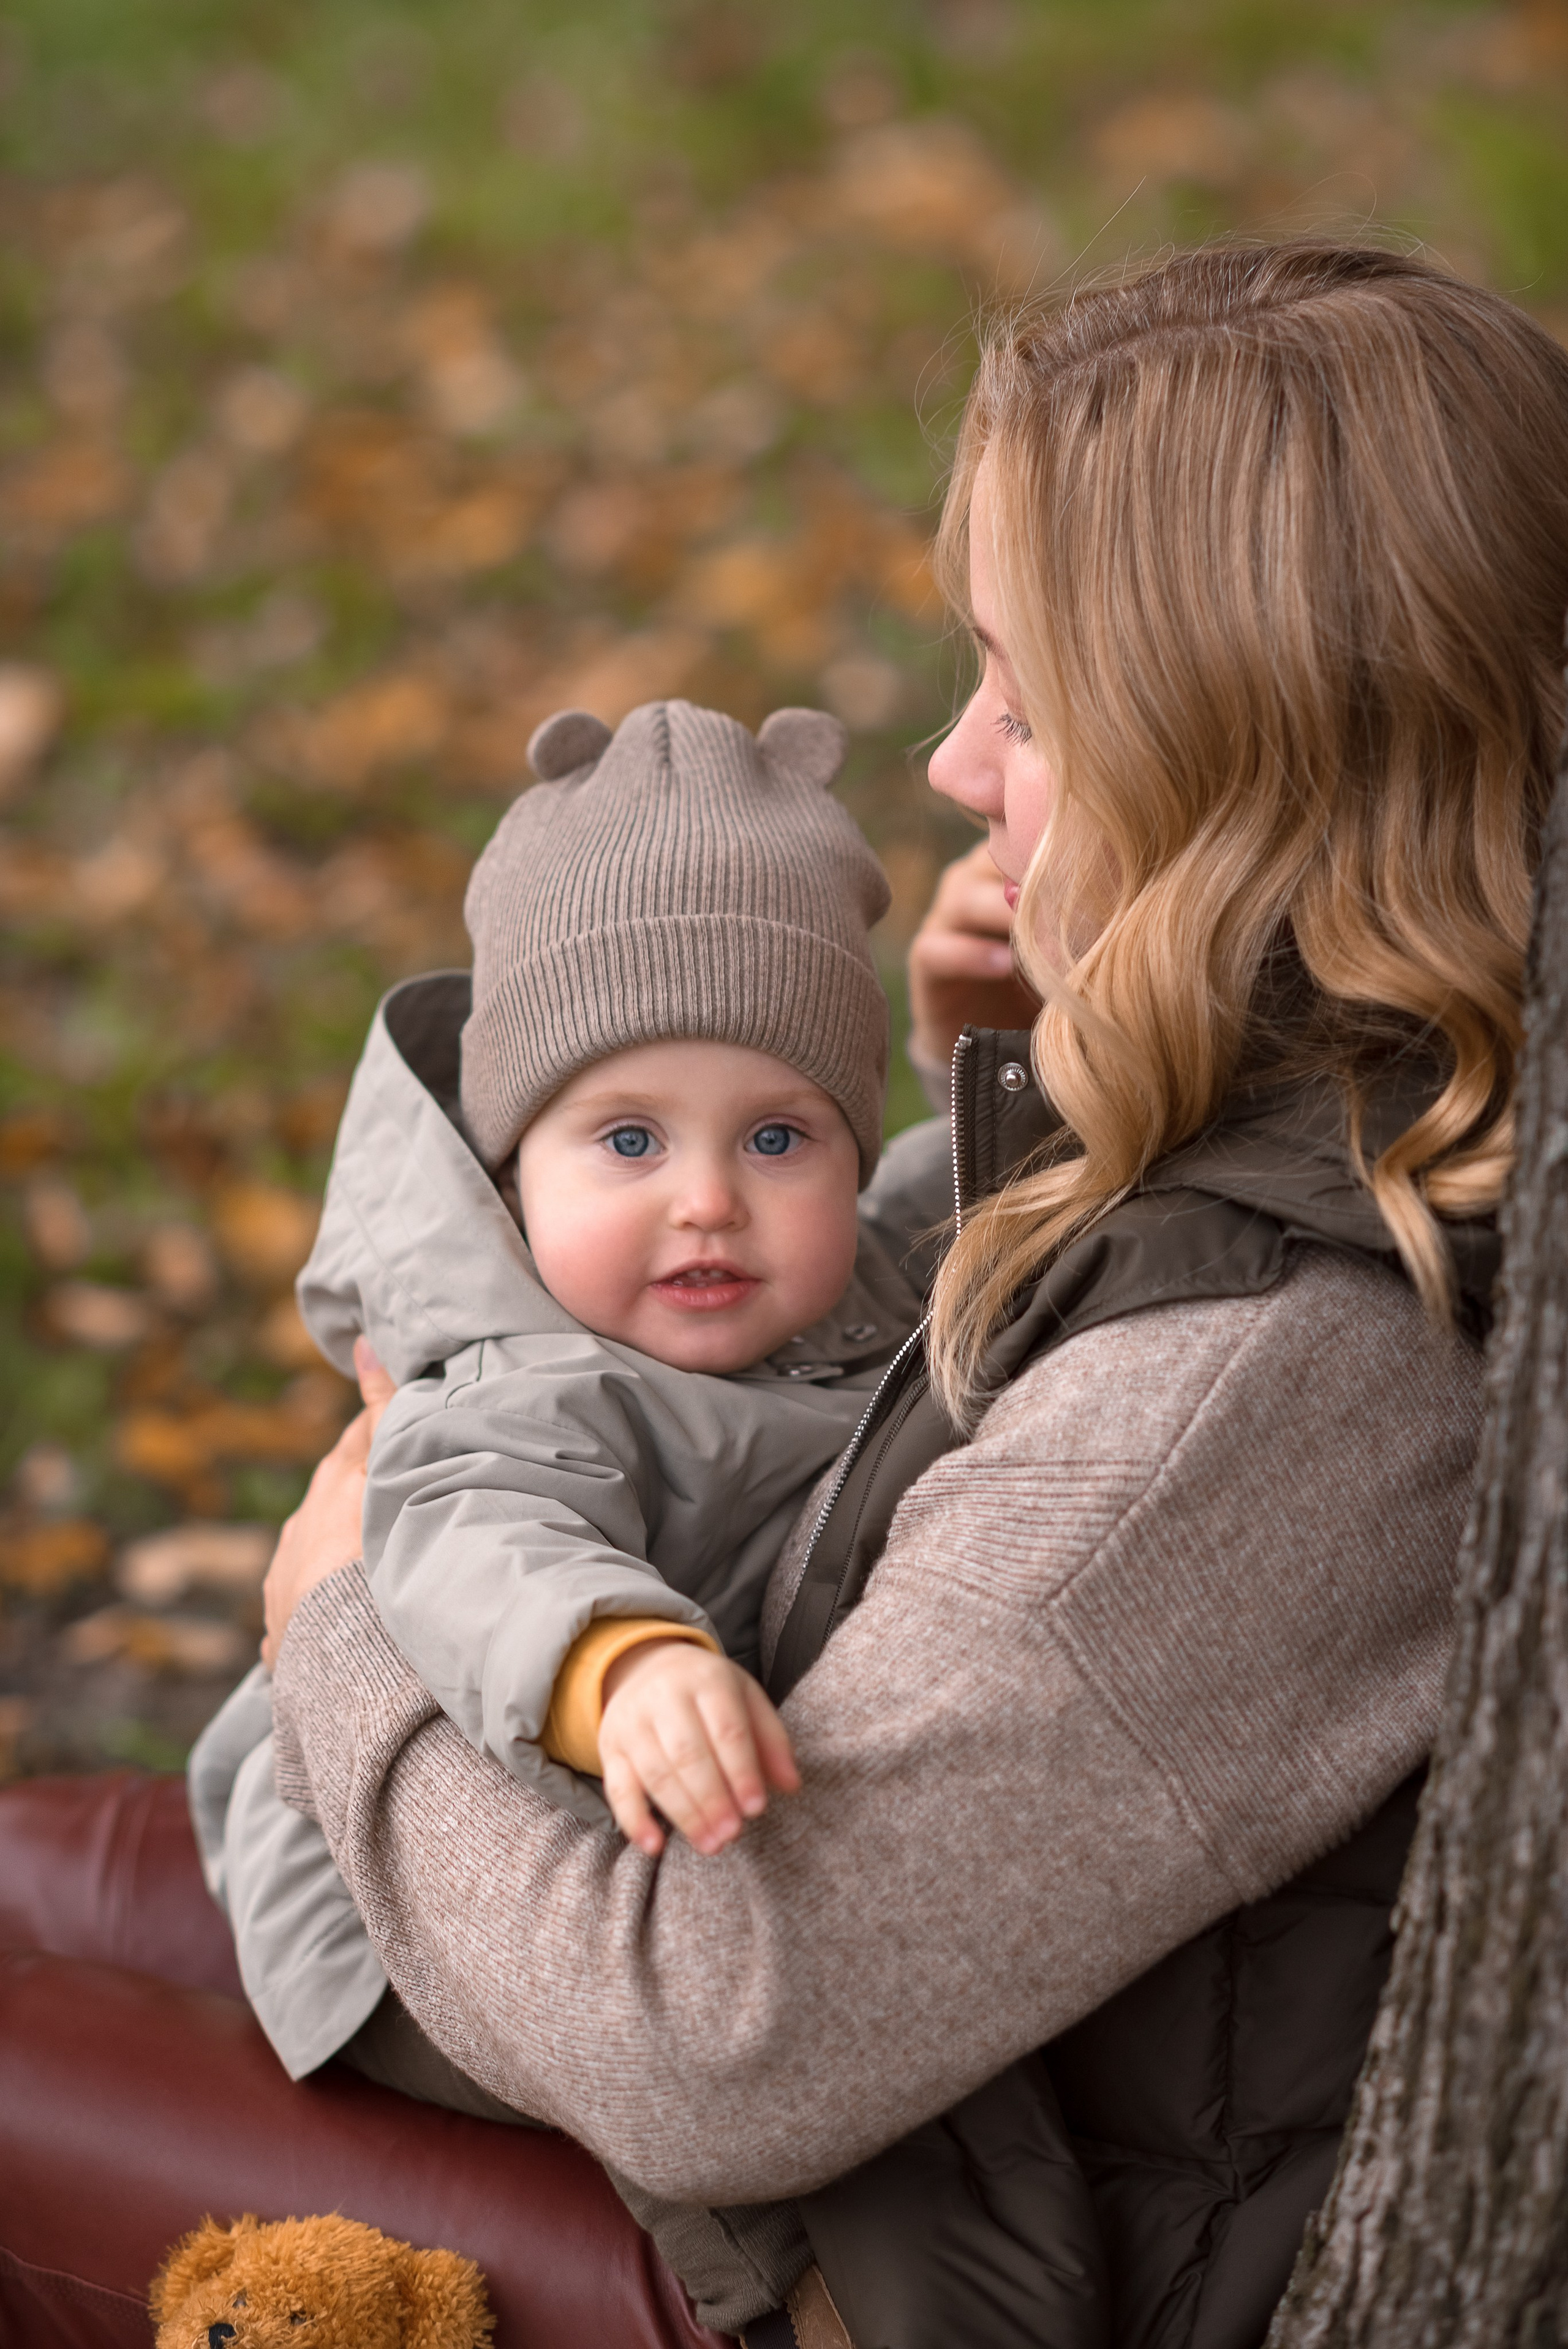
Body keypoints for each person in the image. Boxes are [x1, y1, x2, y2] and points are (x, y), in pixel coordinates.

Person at [257, 242, 1568, 2349]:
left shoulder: (1257, 1396)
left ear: (1235, 771)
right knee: (44, 1859)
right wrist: (1044, 1062)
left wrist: (332, 1621)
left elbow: (714, 2028)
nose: (957, 764)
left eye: (1030, 704)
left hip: (884, 2254)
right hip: (955, 2096)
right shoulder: (1378, 1110)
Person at [187, 695, 932, 2090]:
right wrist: (620, 1666)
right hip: (404, 1924)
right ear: (515, 1164)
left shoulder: (855, 1281)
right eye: (629, 1139)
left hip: (644, 1867)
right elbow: (483, 1541)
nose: (707, 1200)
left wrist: (993, 1053)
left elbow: (960, 1204)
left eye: (778, 1136)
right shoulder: (526, 1380)